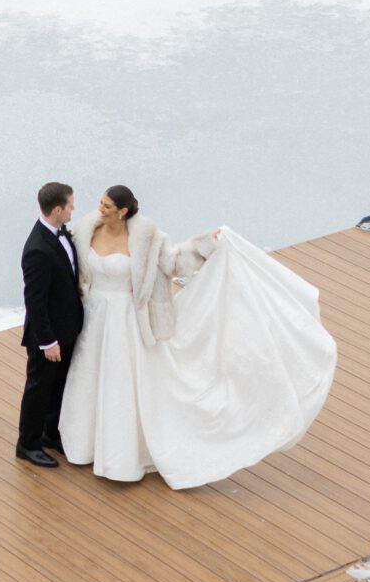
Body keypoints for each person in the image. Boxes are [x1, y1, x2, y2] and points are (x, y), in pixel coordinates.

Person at [60, 185, 337, 488]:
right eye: (100, 203)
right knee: (89, 378)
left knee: (122, 383)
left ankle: (120, 456)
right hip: (92, 319)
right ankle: (83, 444)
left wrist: (208, 244)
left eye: (107, 207)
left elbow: (175, 263)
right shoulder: (85, 229)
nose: (100, 210)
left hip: (127, 322)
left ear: (124, 211)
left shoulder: (147, 238)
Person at [15, 181, 83, 468]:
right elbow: (35, 302)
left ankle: (49, 433)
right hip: (49, 336)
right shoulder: (38, 250)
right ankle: (27, 444)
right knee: (39, 388)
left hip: (65, 329)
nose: (73, 208)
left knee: (58, 386)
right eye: (70, 205)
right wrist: (48, 342)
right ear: (58, 209)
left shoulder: (59, 232)